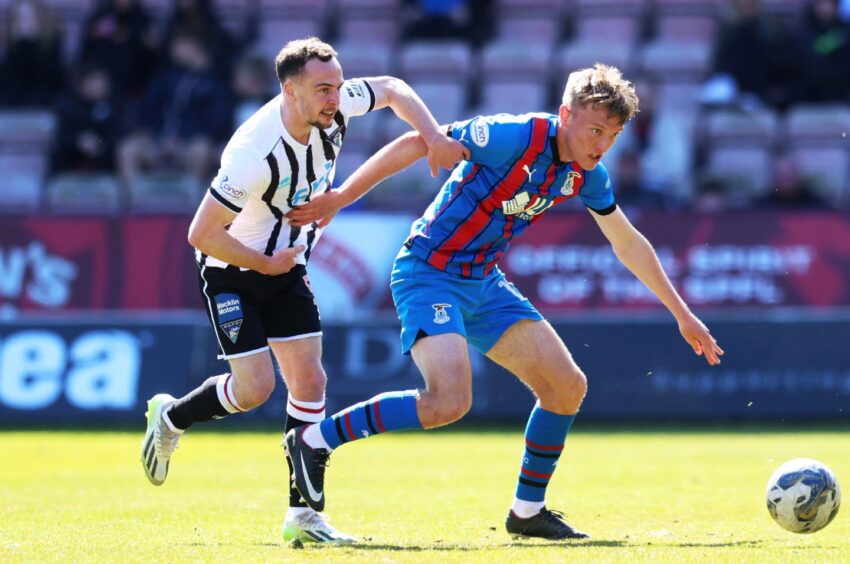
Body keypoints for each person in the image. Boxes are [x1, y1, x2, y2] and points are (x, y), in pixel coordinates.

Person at [284, 63, 725, 541]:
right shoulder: (512, 135)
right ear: (566, 115)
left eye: (612, 136)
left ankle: (527, 511)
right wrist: (341, 196)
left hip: (483, 282)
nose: (601, 145)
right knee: (448, 402)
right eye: (595, 129)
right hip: (428, 272)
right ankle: (314, 438)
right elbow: (419, 143)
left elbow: (628, 244)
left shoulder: (587, 175)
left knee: (565, 387)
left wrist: (683, 315)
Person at [140, 37, 467, 545]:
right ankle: (171, 416)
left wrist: (432, 134)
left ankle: (304, 516)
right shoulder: (253, 153)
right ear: (290, 91)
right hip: (233, 269)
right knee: (254, 391)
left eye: (337, 86)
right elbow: (201, 233)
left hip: (287, 267)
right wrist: (265, 261)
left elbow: (393, 88)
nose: (335, 98)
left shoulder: (332, 106)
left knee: (310, 383)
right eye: (323, 89)